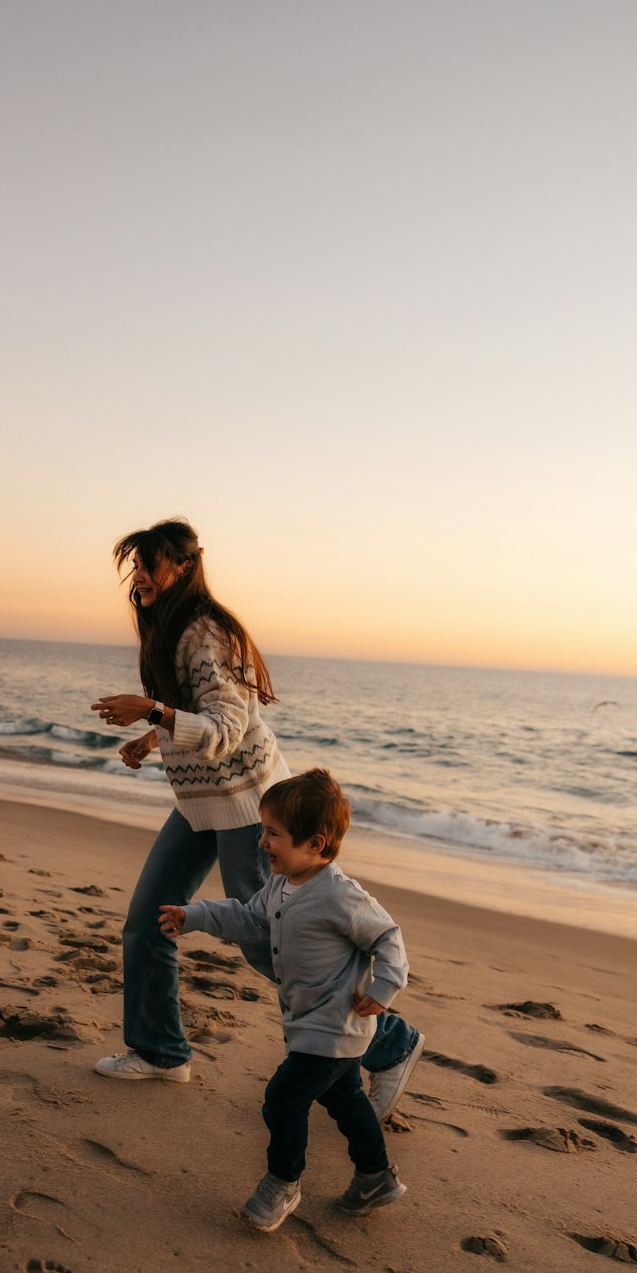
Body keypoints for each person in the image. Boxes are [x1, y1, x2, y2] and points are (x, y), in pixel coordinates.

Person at [90, 517, 424, 1119]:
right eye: (135, 565)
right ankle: (162, 1052)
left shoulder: (206, 632)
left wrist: (155, 711)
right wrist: (152, 736)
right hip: (202, 805)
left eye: (151, 565)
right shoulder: (169, 627)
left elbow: (225, 728)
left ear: (187, 566)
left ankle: (391, 1042)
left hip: (249, 807)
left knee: (270, 942)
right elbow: (194, 717)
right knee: (150, 921)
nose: (139, 576)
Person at [160, 768, 409, 1233]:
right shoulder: (280, 884)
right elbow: (248, 917)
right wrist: (194, 915)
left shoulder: (342, 897)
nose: (261, 842)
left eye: (273, 834)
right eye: (263, 830)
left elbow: (388, 938)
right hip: (307, 1021)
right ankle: (375, 1176)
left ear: (315, 844)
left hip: (335, 1025)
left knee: (282, 1099)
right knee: (346, 1099)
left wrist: (383, 990)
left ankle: (283, 1181)